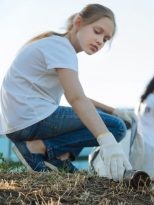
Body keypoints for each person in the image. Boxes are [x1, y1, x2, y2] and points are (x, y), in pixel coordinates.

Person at [0, 3, 133, 182]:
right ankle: (40, 149)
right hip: (31, 119)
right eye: (97, 31)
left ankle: (56, 157)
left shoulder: (54, 45)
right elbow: (76, 99)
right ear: (78, 22)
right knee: (116, 127)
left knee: (95, 115)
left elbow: (78, 97)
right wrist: (107, 140)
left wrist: (112, 110)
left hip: (17, 123)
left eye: (106, 39)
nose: (100, 41)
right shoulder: (62, 48)